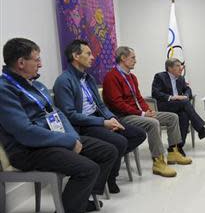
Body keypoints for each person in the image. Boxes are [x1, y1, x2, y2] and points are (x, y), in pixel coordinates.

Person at [0, 38, 116, 213]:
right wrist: (68, 141)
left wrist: (74, 138)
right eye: (36, 59)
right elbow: (25, 132)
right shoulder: (4, 89)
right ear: (20, 63)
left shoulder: (37, 85)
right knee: (88, 169)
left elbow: (58, 114)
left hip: (55, 139)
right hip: (28, 150)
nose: (41, 64)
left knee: (108, 151)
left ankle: (78, 200)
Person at [53, 40, 146, 193]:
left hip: (98, 119)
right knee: (120, 142)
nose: (92, 57)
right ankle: (108, 179)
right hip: (82, 126)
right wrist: (103, 122)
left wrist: (111, 118)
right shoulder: (64, 81)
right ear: (76, 56)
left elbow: (101, 106)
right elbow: (70, 115)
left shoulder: (88, 79)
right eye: (88, 53)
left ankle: (106, 170)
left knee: (138, 134)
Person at [102, 46, 191, 178]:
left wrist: (148, 110)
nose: (135, 61)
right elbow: (118, 104)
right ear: (123, 58)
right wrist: (142, 114)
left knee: (172, 117)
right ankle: (158, 161)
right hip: (122, 116)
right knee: (153, 123)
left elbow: (139, 98)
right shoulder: (111, 77)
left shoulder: (132, 77)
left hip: (137, 113)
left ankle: (173, 152)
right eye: (133, 58)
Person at [152, 57, 205, 145]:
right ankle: (201, 129)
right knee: (185, 102)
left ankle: (179, 146)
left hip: (178, 106)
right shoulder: (160, 77)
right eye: (178, 66)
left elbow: (187, 89)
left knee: (184, 115)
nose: (181, 68)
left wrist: (185, 95)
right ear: (170, 68)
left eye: (181, 66)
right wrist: (172, 97)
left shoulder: (180, 78)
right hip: (164, 106)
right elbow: (155, 93)